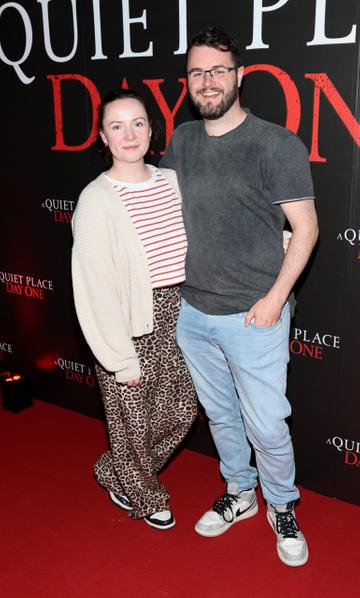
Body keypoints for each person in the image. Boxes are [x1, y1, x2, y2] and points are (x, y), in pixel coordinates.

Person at [160, 27, 318, 565]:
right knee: (222, 416)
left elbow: (307, 229)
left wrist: (276, 299)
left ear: (239, 76)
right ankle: (240, 494)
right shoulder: (181, 139)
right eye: (197, 72)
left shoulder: (275, 143)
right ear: (188, 82)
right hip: (193, 310)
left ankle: (282, 504)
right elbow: (161, 211)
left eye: (218, 70)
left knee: (267, 423)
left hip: (255, 313)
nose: (207, 82)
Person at [71, 89, 197, 530]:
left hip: (181, 312)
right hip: (125, 321)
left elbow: (212, 232)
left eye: (138, 123)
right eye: (117, 126)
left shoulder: (171, 182)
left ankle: (115, 469)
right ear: (103, 136)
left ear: (151, 129)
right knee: (132, 421)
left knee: (180, 409)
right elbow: (95, 285)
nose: (129, 134)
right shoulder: (96, 200)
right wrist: (120, 355)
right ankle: (144, 494)